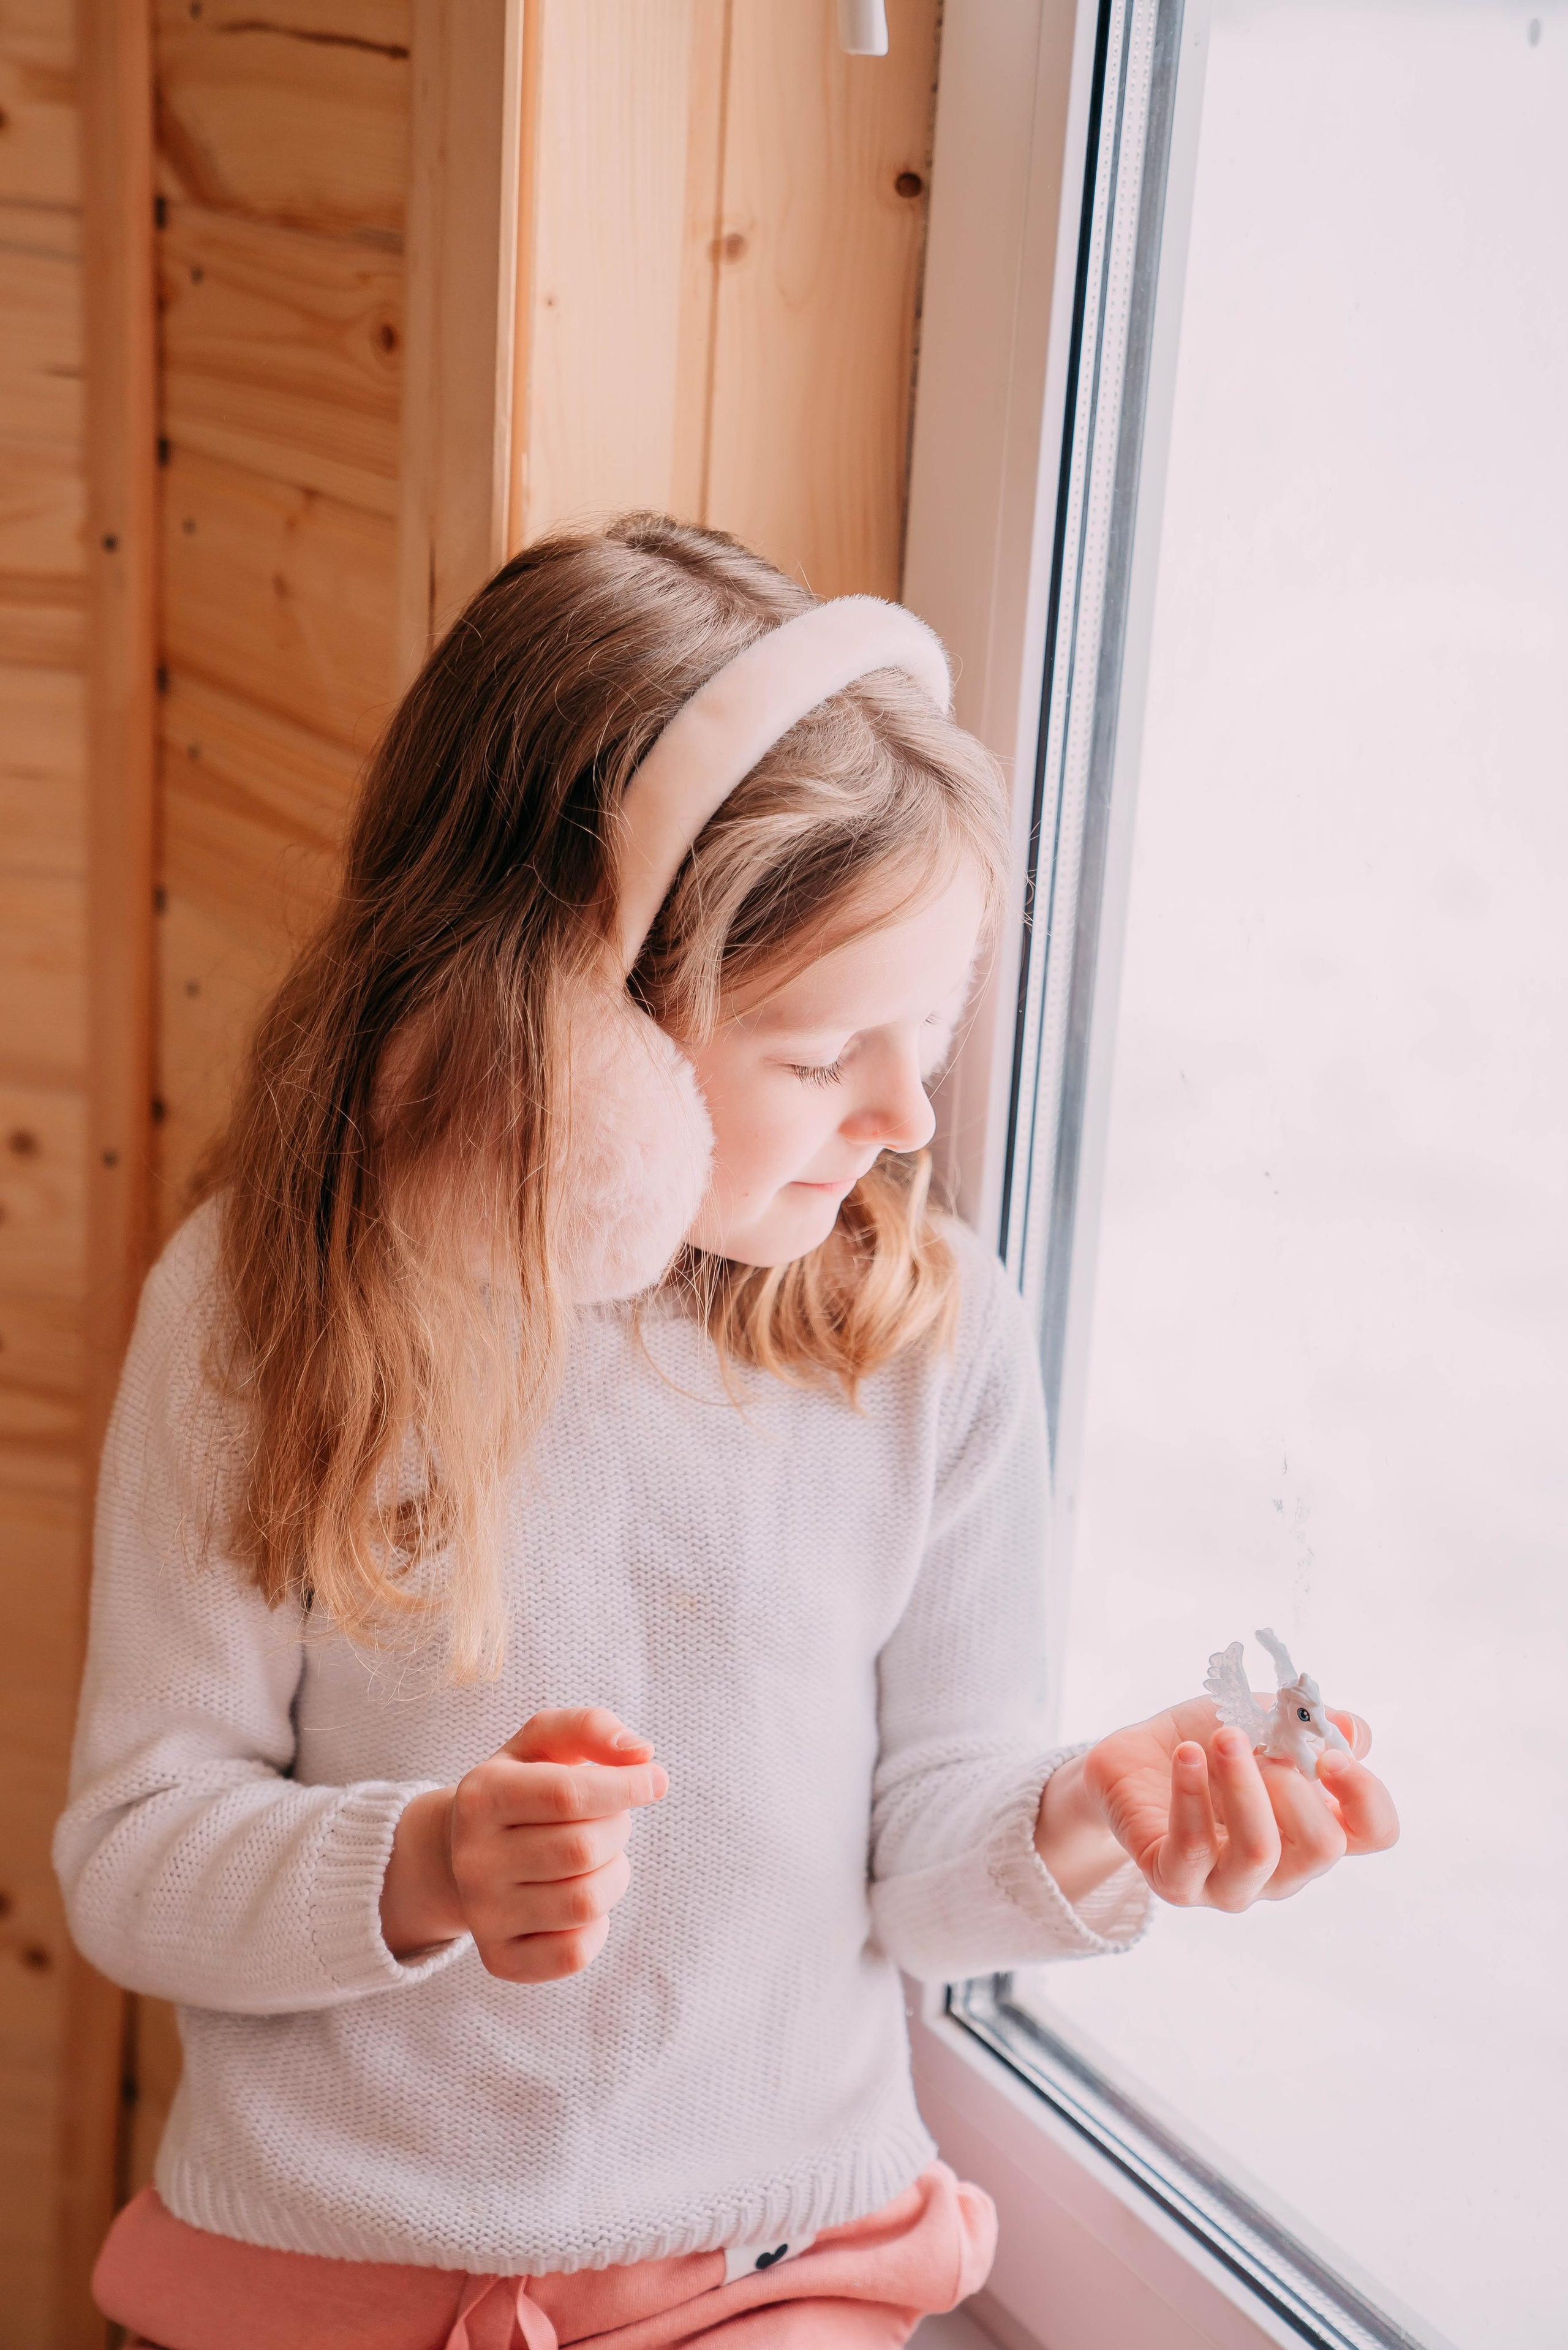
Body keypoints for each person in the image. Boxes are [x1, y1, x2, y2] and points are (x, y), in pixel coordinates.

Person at [55, 517, 1397, 2350]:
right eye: (822, 1055)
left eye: (928, 1033)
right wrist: (425, 1865)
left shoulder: (928, 1339)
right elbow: (138, 1854)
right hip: (313, 2274)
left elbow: (922, 1862)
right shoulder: (257, 1315)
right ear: (562, 1036)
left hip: (776, 2275)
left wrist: (1095, 1816)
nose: (907, 1118)